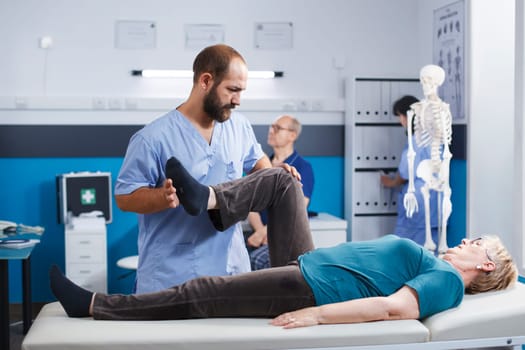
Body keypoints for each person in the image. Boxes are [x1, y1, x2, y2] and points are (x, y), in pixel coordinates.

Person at [50, 156, 518, 329]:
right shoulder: (437, 267)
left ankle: (94, 306)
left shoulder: (446, 282)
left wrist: (315, 314)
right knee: (281, 181)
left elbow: (395, 309)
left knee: (203, 293)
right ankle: (209, 198)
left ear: (485, 267)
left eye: (477, 243)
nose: (465, 240)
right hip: (312, 265)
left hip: (312, 289)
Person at [114, 44, 276, 293]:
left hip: (231, 269)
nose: (238, 100)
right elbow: (125, 197)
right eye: (232, 90)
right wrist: (161, 196)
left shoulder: (239, 127)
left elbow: (259, 164)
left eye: (241, 91)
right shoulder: (152, 138)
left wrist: (277, 174)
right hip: (173, 274)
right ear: (206, 81)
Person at [246, 115, 314, 270]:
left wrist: (264, 232)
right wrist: (259, 232)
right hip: (260, 235)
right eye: (271, 126)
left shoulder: (302, 167)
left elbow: (297, 208)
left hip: (284, 237)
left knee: (256, 261)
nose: (271, 131)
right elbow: (250, 203)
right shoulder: (261, 164)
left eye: (278, 128)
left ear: (292, 135)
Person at [380, 95, 439, 246]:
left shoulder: (415, 141)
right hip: (433, 202)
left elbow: (405, 173)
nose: (400, 121)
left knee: (404, 249)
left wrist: (391, 182)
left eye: (400, 115)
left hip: (417, 200)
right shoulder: (433, 137)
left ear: (409, 115)